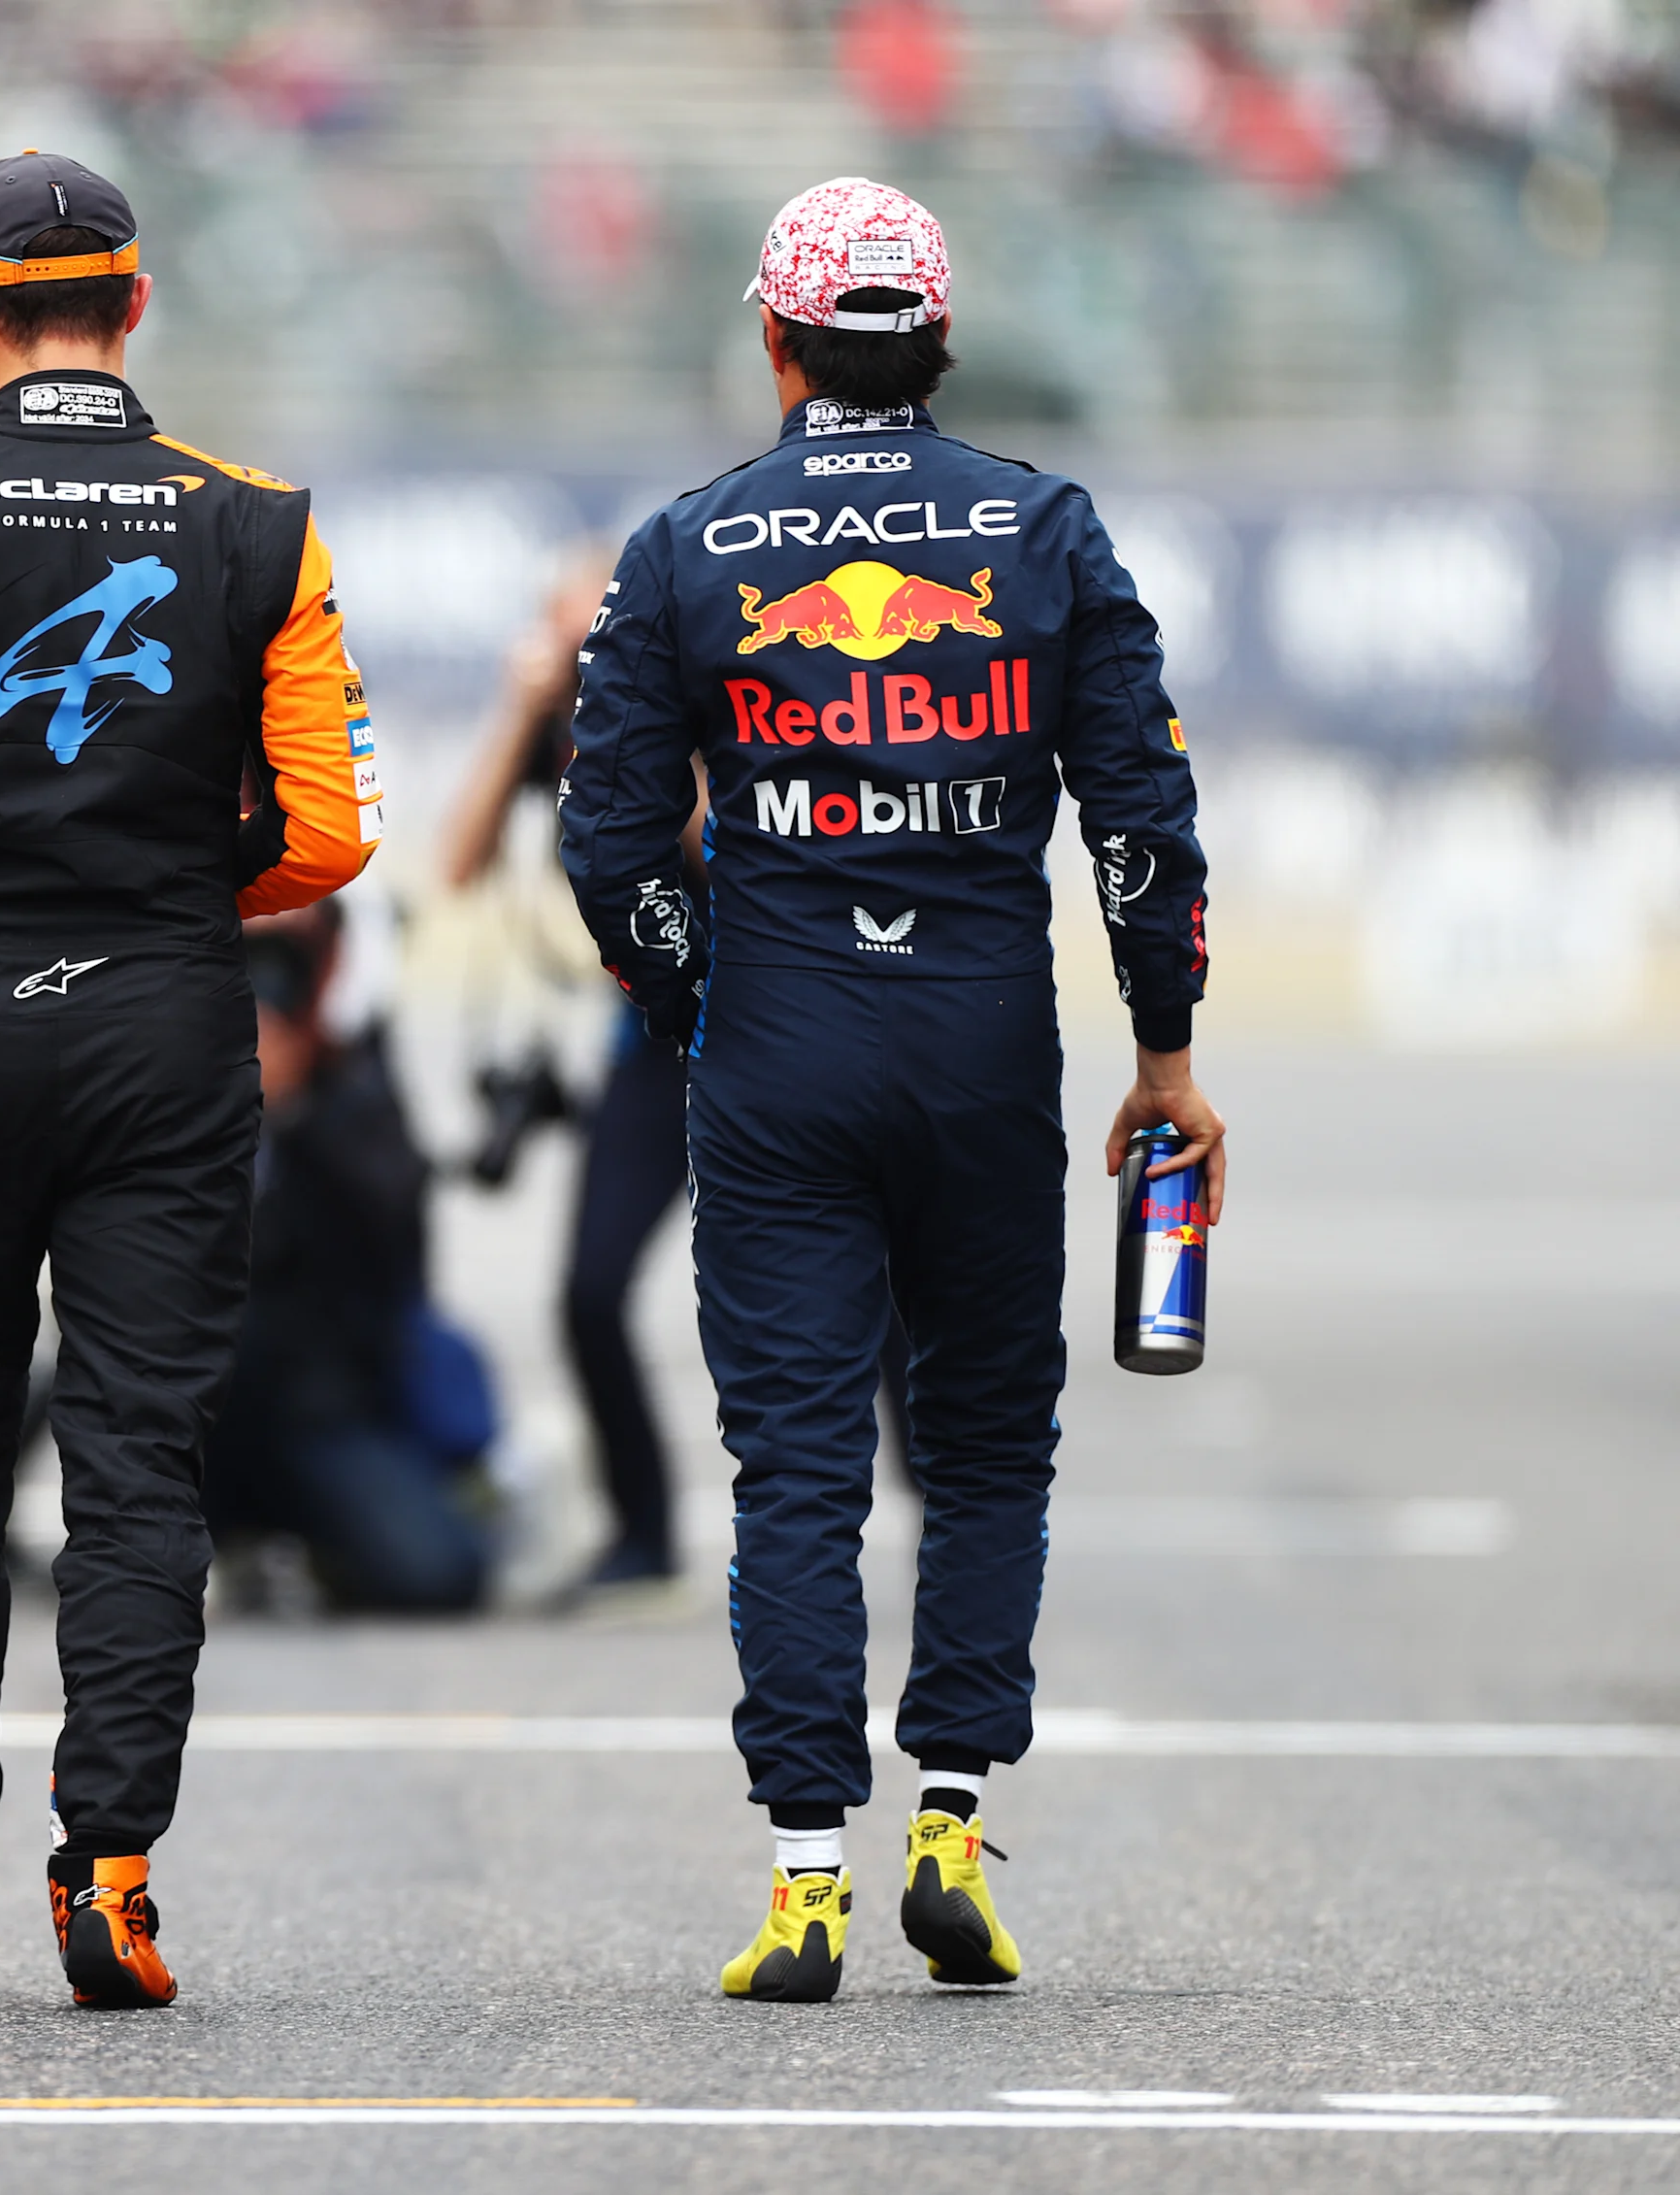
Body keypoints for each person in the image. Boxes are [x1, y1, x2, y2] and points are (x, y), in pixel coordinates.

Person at [557, 176, 1222, 2003]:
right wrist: (1165, 1055)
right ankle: (947, 1822)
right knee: (989, 1447)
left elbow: (606, 842)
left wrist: (699, 1009)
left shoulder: (688, 541)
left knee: (794, 1467)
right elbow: (1141, 831)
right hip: (984, 1049)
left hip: (778, 1050)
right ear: (937, 343)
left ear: (773, 345)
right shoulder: (1041, 524)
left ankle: (798, 1884)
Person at [0, 150, 379, 2008]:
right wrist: (173, 890)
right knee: (135, 1467)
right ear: (136, 308)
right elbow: (330, 836)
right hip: (161, 1031)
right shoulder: (256, 524)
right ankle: (109, 1875)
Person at [439, 552, 694, 1596]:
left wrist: (644, 715)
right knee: (587, 1291)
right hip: (652, 1047)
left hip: (769, 1030)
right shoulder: (559, 728)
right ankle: (641, 1531)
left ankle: (938, 1475)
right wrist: (523, 713)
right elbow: (457, 863)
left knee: (855, 1279)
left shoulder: (688, 705)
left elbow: (717, 842)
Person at [204, 907, 490, 1614]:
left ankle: (314, 1540)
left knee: (438, 1574)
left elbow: (395, 1256)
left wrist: (298, 1113)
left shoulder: (353, 1090)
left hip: (318, 1412)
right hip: (193, 1410)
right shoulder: (175, 1079)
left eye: (286, 960)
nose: (265, 987)